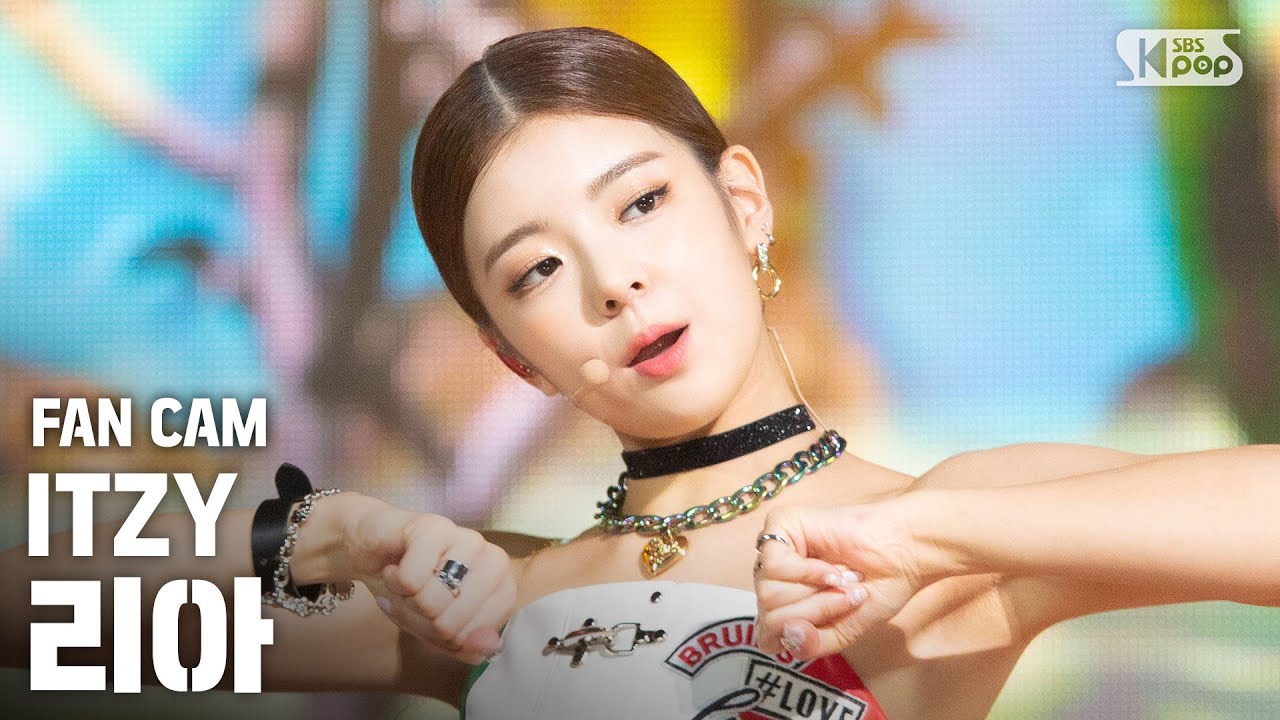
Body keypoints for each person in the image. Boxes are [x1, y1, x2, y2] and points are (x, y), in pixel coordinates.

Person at [3, 25, 1277, 720]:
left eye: (641, 204)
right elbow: (53, 620)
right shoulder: (480, 601)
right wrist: (306, 537)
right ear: (511, 353)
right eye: (535, 271)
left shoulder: (943, 536)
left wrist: (930, 533)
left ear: (742, 204)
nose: (613, 282)